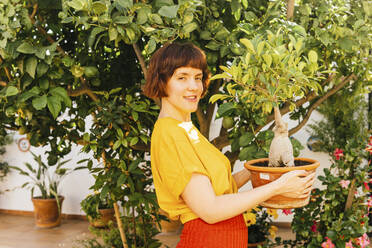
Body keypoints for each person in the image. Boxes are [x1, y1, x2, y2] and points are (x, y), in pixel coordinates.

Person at [143, 42, 315, 248]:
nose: (194, 86)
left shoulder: (186, 128)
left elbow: (216, 190)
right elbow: (211, 209)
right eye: (182, 77)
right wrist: (280, 185)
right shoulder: (170, 133)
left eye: (198, 78)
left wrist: (261, 169)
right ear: (161, 81)